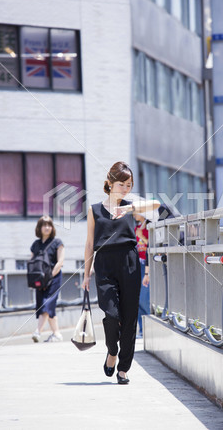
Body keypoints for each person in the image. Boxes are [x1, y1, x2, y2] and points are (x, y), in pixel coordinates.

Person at [82, 161, 160, 384]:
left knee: (129, 317)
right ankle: (112, 351)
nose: (126, 189)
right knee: (111, 313)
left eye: (129, 185)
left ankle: (124, 368)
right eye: (122, 184)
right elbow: (89, 244)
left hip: (130, 261)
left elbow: (157, 206)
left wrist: (130, 208)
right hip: (104, 262)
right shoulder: (95, 210)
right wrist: (87, 274)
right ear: (110, 183)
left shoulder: (131, 206)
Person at [31, 216, 65, 343]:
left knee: (47, 303)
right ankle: (57, 334)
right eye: (44, 225)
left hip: (54, 278)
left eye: (49, 225)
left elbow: (60, 262)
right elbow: (32, 262)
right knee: (45, 306)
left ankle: (38, 331)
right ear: (39, 228)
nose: (47, 227)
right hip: (39, 280)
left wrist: (49, 276)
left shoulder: (57, 242)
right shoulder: (35, 245)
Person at [135, 214, 150, 338]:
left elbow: (151, 245)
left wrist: (142, 237)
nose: (134, 214)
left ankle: (149, 329)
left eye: (136, 211)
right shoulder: (136, 228)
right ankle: (141, 330)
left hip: (147, 265)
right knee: (138, 299)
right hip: (137, 265)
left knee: (145, 298)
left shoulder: (150, 227)